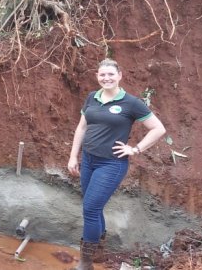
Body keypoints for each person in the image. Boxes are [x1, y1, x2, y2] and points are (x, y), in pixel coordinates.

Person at [67, 59, 166, 270]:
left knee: (90, 209)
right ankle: (98, 251)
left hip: (111, 164)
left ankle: (86, 262)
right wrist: (73, 156)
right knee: (95, 207)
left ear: (120, 75)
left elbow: (158, 128)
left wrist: (136, 149)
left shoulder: (131, 103)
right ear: (97, 76)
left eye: (111, 74)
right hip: (88, 161)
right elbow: (82, 128)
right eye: (102, 75)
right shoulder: (91, 98)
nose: (107, 78)